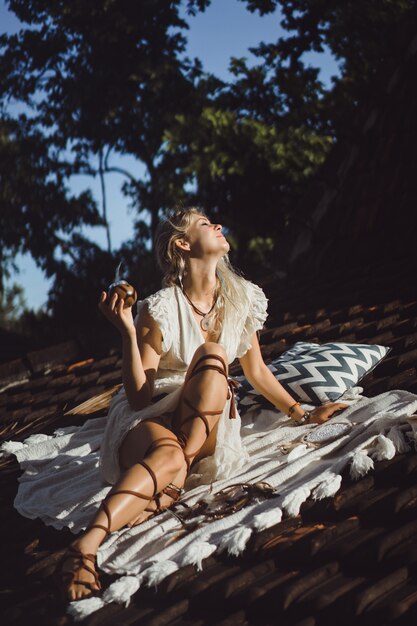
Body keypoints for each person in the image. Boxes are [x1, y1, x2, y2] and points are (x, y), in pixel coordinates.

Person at [59, 207, 349, 601]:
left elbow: (258, 372)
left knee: (213, 361)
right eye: (204, 224)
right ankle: (87, 547)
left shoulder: (241, 299)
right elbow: (140, 395)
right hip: (151, 416)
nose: (218, 225)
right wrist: (127, 330)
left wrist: (303, 413)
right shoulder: (159, 308)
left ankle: (174, 473)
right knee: (172, 443)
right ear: (182, 243)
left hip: (204, 419)